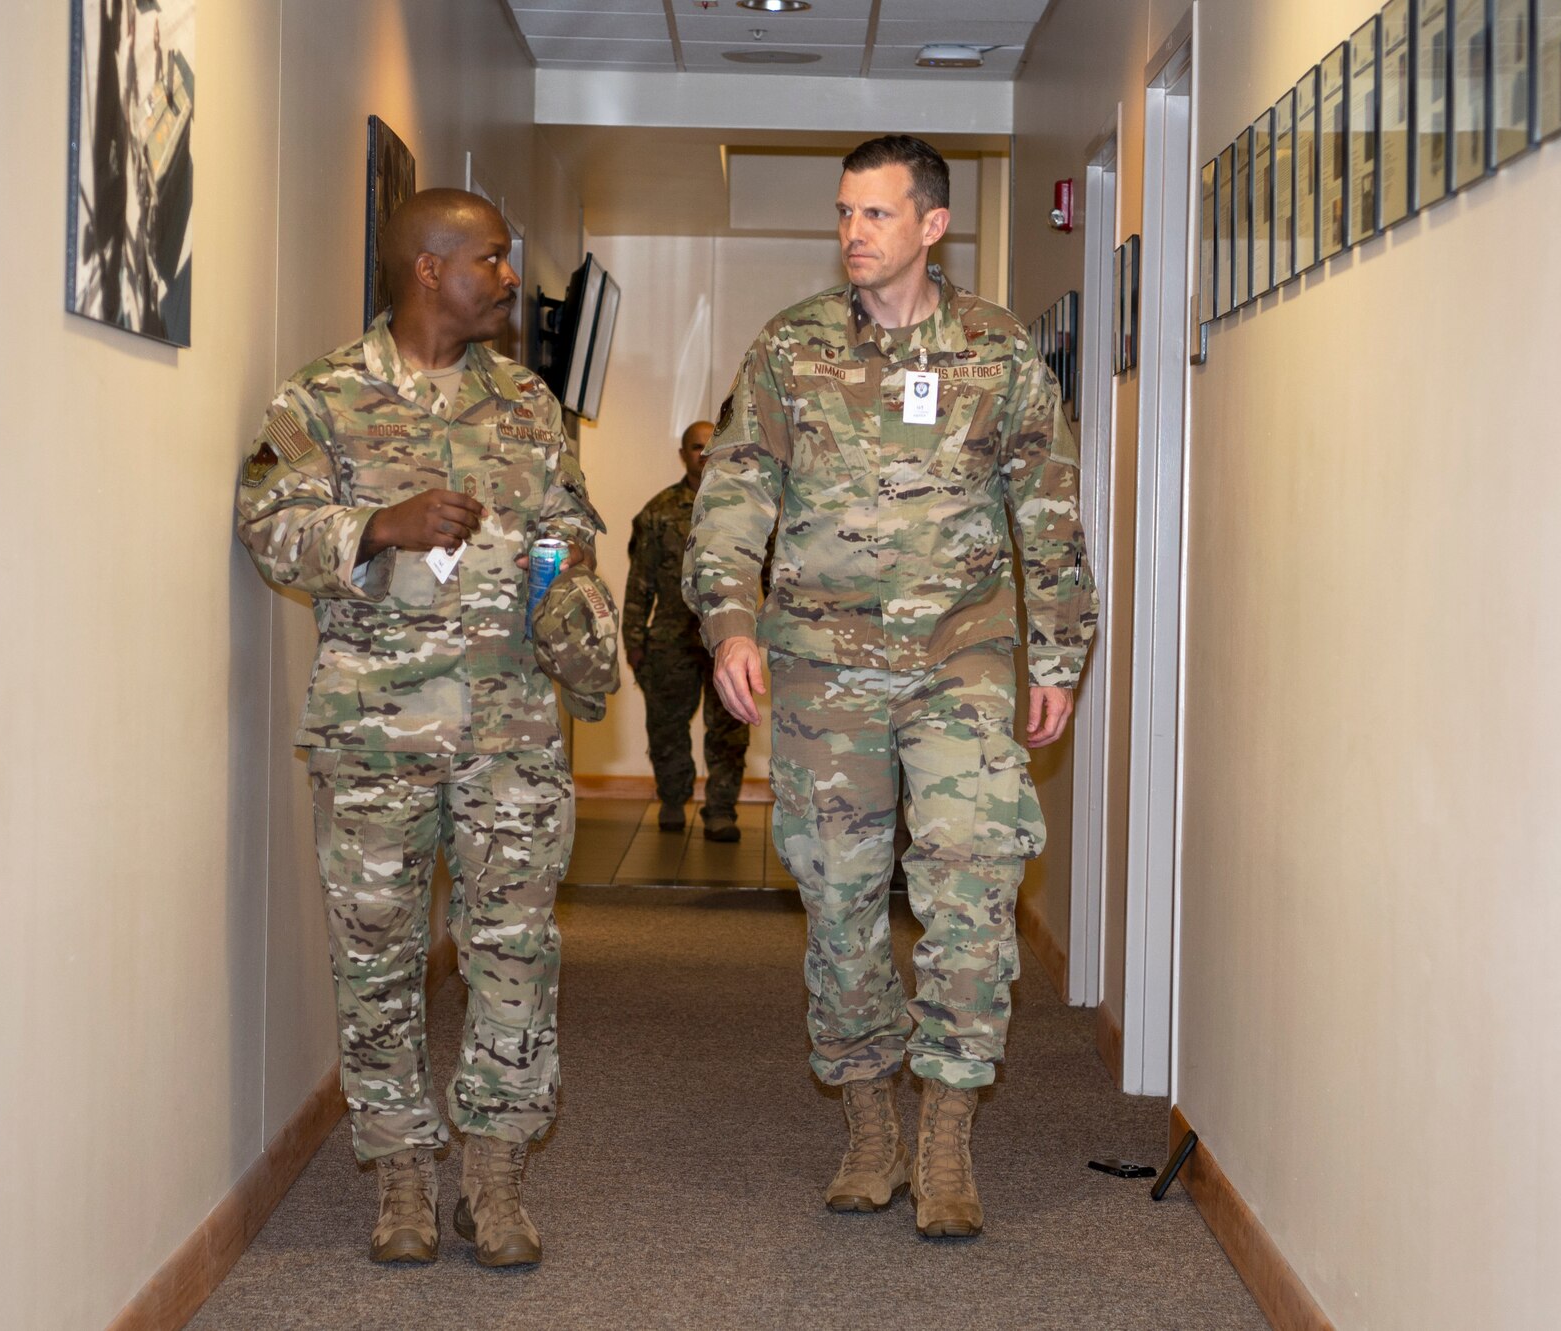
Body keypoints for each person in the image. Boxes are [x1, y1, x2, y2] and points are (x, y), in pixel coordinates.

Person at [683, 135, 1096, 1238]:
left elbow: (1047, 516)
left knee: (971, 877)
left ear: (929, 225)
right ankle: (869, 1118)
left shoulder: (1000, 353)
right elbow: (733, 494)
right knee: (840, 899)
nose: (852, 235)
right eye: (841, 214)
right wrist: (728, 621)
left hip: (962, 660)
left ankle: (948, 1128)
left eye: (874, 215)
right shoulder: (790, 350)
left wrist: (1057, 654)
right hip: (821, 669)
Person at [234, 188, 603, 1270]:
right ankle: (399, 1166)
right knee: (376, 956)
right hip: (374, 737)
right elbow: (266, 527)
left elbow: (573, 532)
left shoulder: (530, 407)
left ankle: (492, 1169)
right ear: (429, 268)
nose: (505, 276)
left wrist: (559, 578)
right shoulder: (323, 397)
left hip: (512, 732)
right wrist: (373, 527)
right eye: (489, 259)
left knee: (514, 952)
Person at [623, 421, 751, 842]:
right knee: (666, 726)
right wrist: (634, 642)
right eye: (696, 447)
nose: (703, 454)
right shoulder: (657, 512)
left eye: (710, 447)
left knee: (729, 730)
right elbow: (638, 584)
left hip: (724, 641)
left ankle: (720, 810)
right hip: (671, 639)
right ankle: (674, 800)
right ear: (683, 454)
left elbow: (766, 578)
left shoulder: (742, 509)